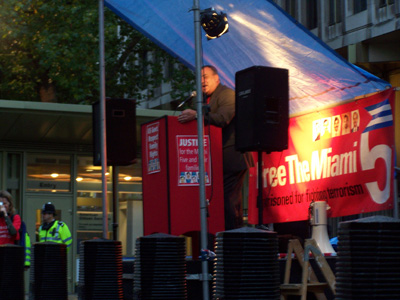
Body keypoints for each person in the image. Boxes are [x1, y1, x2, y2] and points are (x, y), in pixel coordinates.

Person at [178, 65, 253, 230]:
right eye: (199, 78)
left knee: (228, 201)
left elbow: (223, 119)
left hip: (231, 158)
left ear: (216, 78)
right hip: (216, 160)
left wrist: (197, 115)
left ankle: (233, 238)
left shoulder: (227, 94)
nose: (202, 81)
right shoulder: (204, 100)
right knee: (219, 201)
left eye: (205, 77)